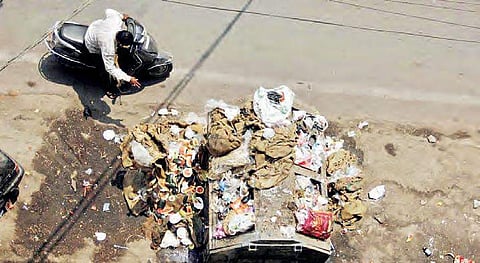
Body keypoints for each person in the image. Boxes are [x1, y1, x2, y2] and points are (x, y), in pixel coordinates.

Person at [84, 9, 141, 98]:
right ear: (119, 42)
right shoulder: (108, 46)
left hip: (95, 27)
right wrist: (129, 78)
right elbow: (110, 68)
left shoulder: (116, 21)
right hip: (92, 43)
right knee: (104, 70)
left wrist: (123, 16)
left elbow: (108, 11)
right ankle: (109, 89)